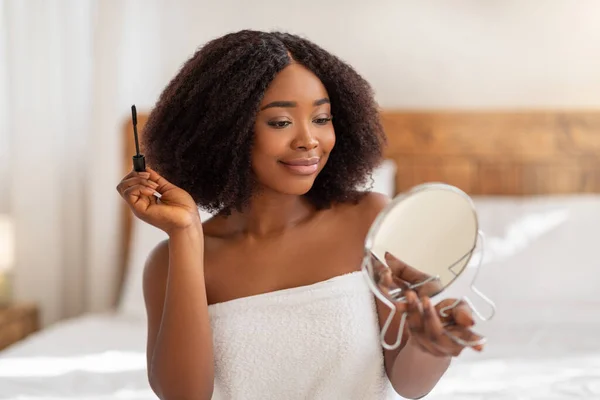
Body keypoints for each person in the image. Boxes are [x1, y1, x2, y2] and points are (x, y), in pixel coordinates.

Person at [116, 30, 483, 400]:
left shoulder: (369, 220)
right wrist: (185, 234)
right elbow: (185, 397)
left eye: (322, 118)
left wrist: (430, 344)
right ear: (226, 132)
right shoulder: (172, 261)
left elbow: (410, 384)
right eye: (280, 122)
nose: (309, 140)